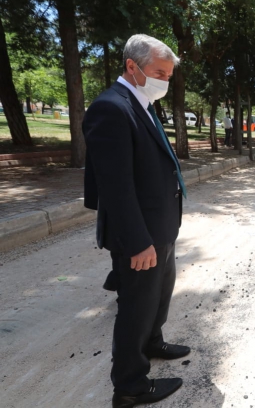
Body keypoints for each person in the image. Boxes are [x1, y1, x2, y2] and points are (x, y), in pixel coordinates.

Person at [82, 34, 188, 408]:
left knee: (158, 296)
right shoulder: (111, 108)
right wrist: (138, 240)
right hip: (140, 235)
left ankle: (152, 342)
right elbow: (115, 187)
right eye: (159, 72)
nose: (165, 81)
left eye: (169, 75)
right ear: (132, 66)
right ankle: (130, 386)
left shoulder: (142, 103)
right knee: (135, 306)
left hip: (161, 227)